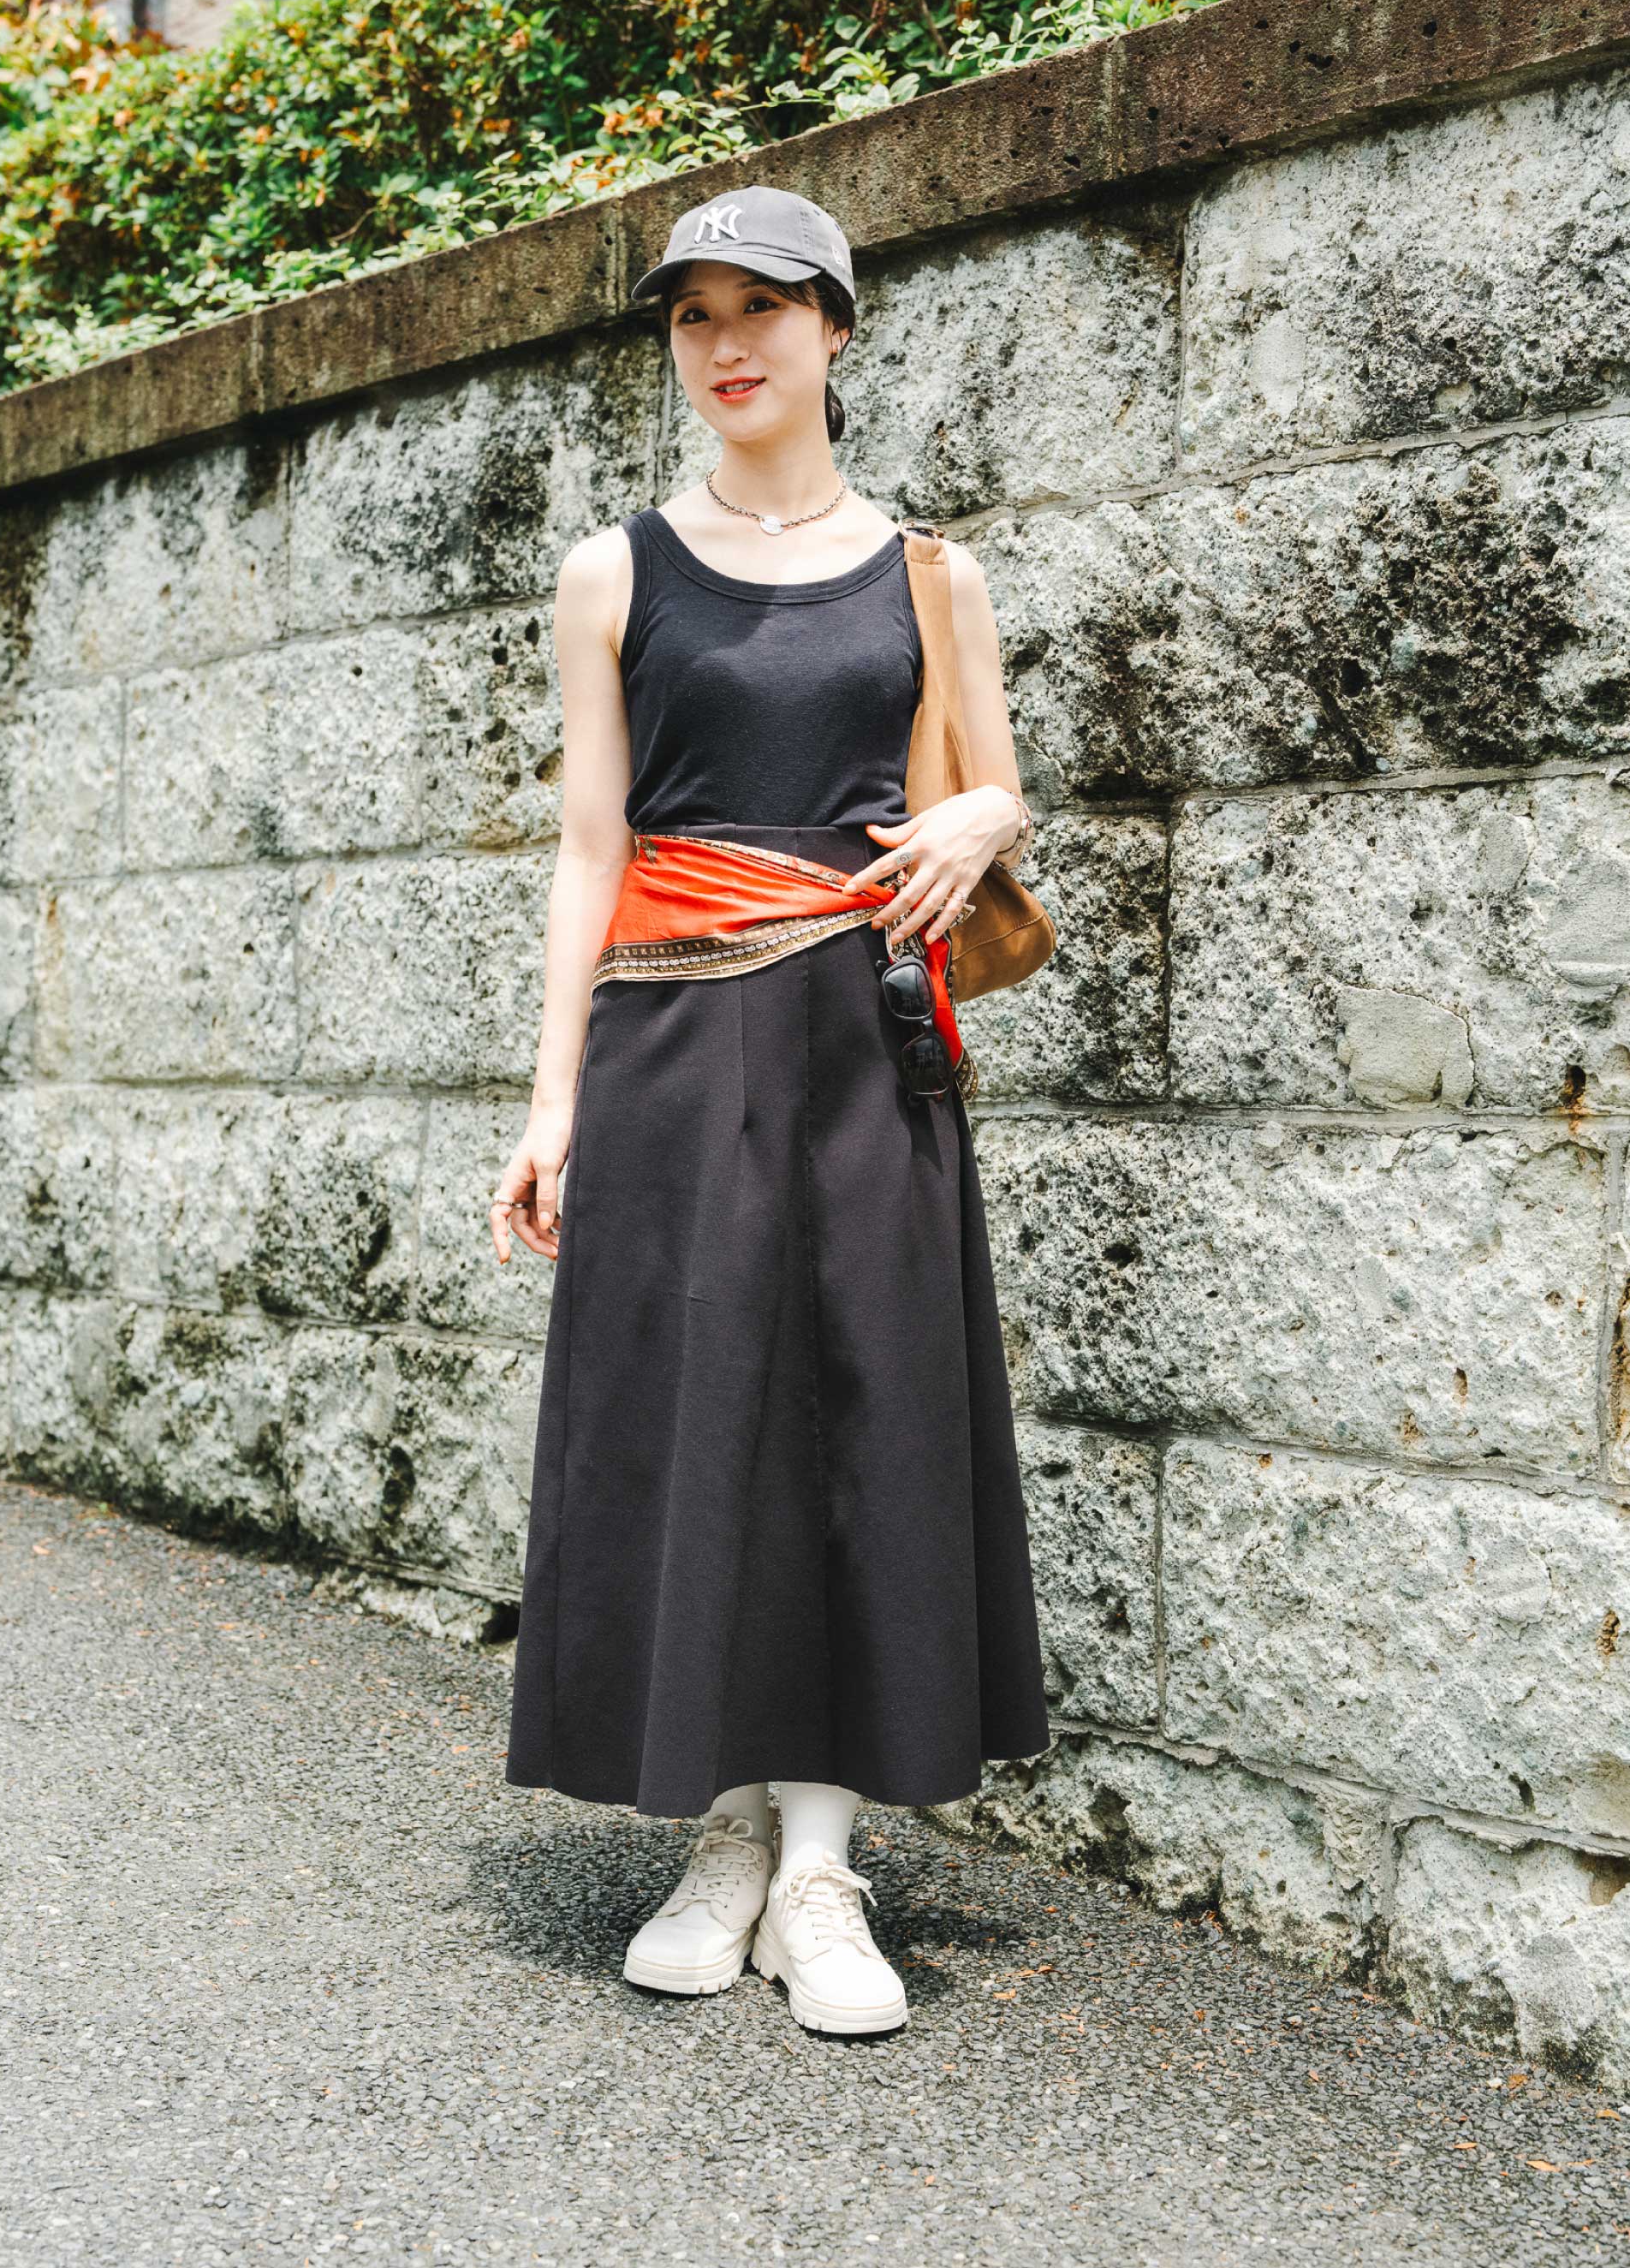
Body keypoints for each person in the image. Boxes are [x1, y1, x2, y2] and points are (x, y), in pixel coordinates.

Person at [491, 183, 1050, 2037]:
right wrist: (552, 1101)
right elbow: (591, 849)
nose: (727, 343)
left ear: (835, 330)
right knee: (695, 1411)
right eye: (693, 315)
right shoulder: (615, 572)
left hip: (865, 1041)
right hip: (669, 1037)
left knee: (860, 1415)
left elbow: (993, 786)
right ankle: (723, 1834)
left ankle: (819, 1868)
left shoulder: (932, 576)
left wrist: (988, 814)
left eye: (765, 306)